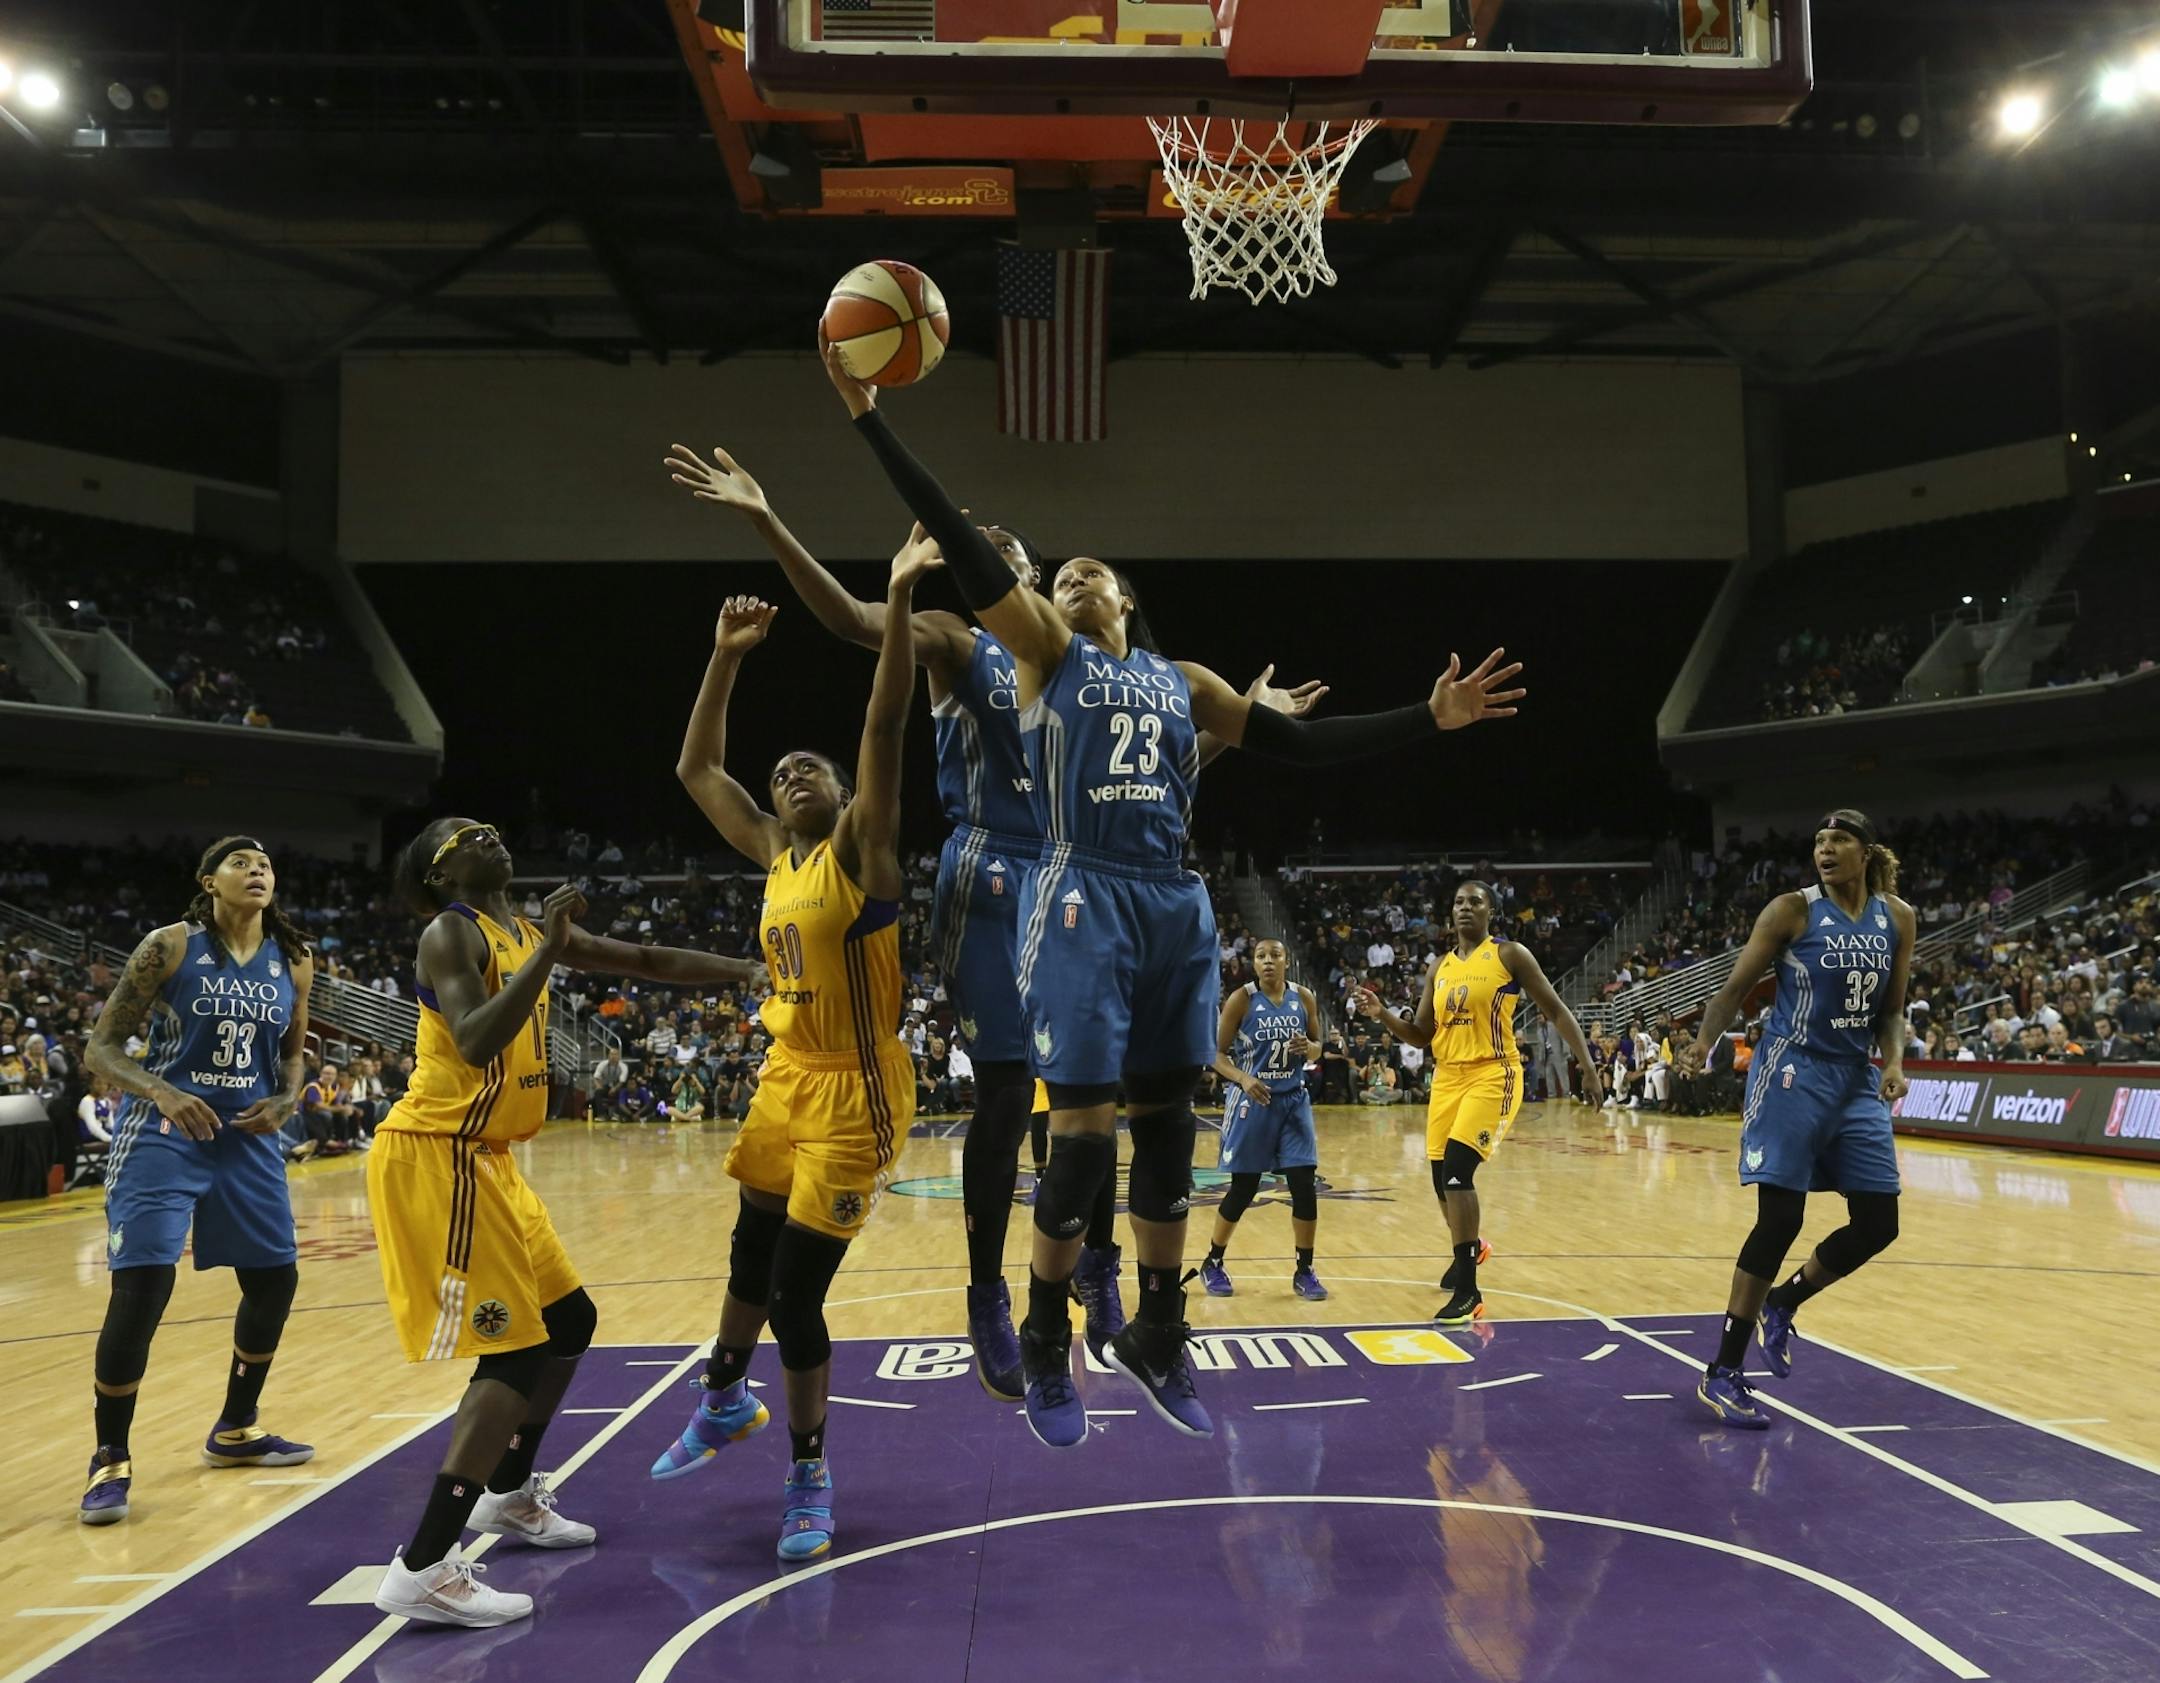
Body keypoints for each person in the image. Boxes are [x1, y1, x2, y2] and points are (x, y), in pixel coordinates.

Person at [836, 340, 1524, 1446]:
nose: (1071, 581)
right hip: (1079, 895)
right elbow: (966, 555)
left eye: (1090, 573)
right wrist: (871, 420)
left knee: (1166, 1132)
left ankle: (1160, 1331)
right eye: (1058, 577)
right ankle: (1046, 1333)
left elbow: (1300, 748)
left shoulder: (1182, 682)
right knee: (1081, 1140)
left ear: (1127, 595)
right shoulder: (1046, 653)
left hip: (1173, 904)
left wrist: (1425, 718)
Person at [664, 439, 1324, 1396]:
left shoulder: (1085, 671)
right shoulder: (959, 639)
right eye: (986, 551)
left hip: (1076, 869)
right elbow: (850, 619)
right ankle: (986, 1292)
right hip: (990, 871)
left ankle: (1096, 1265)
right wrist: (768, 519)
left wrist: (1246, 722)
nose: (998, 557)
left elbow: (1151, 779)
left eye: (1013, 553)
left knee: (1096, 1091)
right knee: (1012, 1093)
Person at [368, 819, 764, 1626]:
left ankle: (508, 1491)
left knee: (569, 1319)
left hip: (492, 1159)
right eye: (466, 834)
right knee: (516, 1352)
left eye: (489, 825)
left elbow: (644, 960)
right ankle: (424, 1564)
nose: (489, 832)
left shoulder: (521, 930)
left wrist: (748, 969)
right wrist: (549, 951)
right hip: (441, 1154)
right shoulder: (451, 932)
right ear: (441, 872)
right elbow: (474, 1040)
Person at [647, 542, 930, 1563]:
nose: (790, 775)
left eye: (808, 766)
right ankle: (725, 1394)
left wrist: (895, 600)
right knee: (748, 1252)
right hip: (787, 1076)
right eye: (779, 773)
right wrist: (725, 657)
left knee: (797, 1296)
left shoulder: (861, 848)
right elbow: (696, 771)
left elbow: (884, 726)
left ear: (842, 792)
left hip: (858, 1090)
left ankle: (809, 1471)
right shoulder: (775, 853)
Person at [79, 837, 318, 1526]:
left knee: (275, 1279)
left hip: (246, 1137)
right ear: (209, 880)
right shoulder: (169, 946)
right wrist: (161, 1090)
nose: (257, 871)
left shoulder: (294, 958)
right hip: (164, 1134)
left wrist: (287, 1098)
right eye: (241, 863)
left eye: (265, 864)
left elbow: (294, 1051)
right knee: (144, 1287)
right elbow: (101, 1047)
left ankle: (236, 1426)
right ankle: (110, 1456)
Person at [1677, 810, 1913, 1431]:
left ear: (1866, 852)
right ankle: (1723, 1369)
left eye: (1839, 840)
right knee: (1781, 1218)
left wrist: (1893, 1061)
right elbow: (1734, 988)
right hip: (1791, 1070)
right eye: (1819, 841)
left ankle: (1784, 1301)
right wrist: (1703, 1042)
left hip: (1856, 1078)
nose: (1825, 850)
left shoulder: (1898, 917)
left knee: (1879, 1222)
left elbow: (1892, 1008)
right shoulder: (1791, 910)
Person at [1357, 880, 1601, 1327]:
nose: (1465, 908)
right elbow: (1421, 1035)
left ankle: (1468, 1292)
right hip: (1447, 1077)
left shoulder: (1510, 955)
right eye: (1458, 902)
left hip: (1493, 1073)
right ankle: (1471, 1247)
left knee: (1457, 1171)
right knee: (1440, 1181)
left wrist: (1586, 1066)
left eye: (1475, 901)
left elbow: (1556, 1010)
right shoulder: (1440, 966)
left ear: (1492, 911)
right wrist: (1382, 1014)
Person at [1201, 938, 1327, 1301]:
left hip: (1293, 1101)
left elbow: (1318, 1047)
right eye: (1261, 956)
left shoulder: (1304, 997)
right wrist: (1243, 1078)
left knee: (1303, 1186)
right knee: (1244, 1188)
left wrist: (1310, 1049)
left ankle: (1305, 1270)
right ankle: (1213, 1261)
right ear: (1254, 964)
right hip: (1253, 1101)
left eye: (1275, 955)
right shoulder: (1241, 999)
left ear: (1287, 961)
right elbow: (1216, 1054)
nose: (1268, 961)